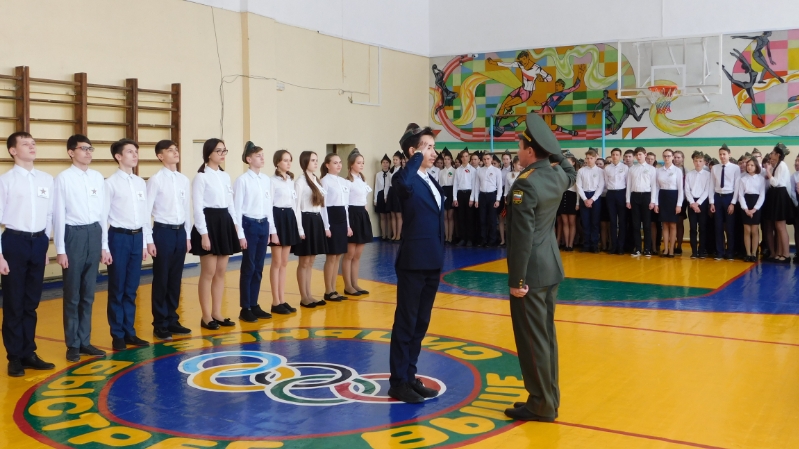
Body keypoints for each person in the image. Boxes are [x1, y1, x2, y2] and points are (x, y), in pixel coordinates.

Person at [505, 113, 576, 421]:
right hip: (550, 268)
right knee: (546, 338)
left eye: (520, 147)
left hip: (530, 274)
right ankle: (548, 398)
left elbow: (521, 238)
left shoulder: (526, 184)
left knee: (532, 341)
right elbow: (570, 169)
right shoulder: (557, 176)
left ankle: (541, 404)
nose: (518, 152)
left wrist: (517, 280)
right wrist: (553, 150)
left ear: (530, 151)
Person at [388, 123, 445, 404]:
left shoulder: (429, 179)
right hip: (413, 261)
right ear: (413, 152)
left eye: (433, 147)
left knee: (420, 323)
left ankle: (410, 376)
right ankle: (398, 382)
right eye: (427, 147)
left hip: (432, 260)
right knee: (406, 322)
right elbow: (402, 186)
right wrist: (416, 158)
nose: (434, 152)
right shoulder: (405, 177)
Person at [0, 132, 56, 376]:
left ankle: (28, 352)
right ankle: (14, 356)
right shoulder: (5, 181)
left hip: (38, 242)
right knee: (14, 302)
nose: (32, 146)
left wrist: (45, 245)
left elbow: (49, 214)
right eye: (25, 144)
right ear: (13, 150)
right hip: (14, 241)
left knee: (31, 303)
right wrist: (0, 255)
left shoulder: (46, 179)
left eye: (33, 143)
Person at [54, 134, 106, 362]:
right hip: (73, 234)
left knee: (88, 292)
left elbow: (103, 213)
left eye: (90, 148)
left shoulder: (97, 177)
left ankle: (85, 340)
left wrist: (104, 245)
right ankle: (72, 344)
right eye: (83, 148)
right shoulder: (63, 178)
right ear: (71, 152)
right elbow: (58, 214)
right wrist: (60, 249)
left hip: (94, 232)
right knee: (73, 293)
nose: (88, 152)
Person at [102, 139, 151, 351]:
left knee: (131, 288)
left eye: (136, 151)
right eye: (130, 151)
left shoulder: (140, 183)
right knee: (117, 287)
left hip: (136, 238)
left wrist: (145, 242)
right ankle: (117, 334)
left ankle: (130, 331)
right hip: (118, 237)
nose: (135, 155)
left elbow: (144, 215)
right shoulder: (110, 183)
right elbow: (103, 217)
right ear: (118, 156)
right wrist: (104, 246)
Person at [190, 138, 241, 330]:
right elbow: (197, 208)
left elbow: (230, 203)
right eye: (218, 151)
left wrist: (234, 224)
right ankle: (205, 316)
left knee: (220, 271)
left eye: (224, 150)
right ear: (209, 153)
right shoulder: (201, 177)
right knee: (208, 272)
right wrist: (204, 233)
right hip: (209, 223)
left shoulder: (225, 176)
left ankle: (217, 313)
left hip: (224, 222)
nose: (222, 154)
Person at [146, 140, 193, 341]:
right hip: (163, 232)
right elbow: (146, 211)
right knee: (162, 278)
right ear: (160, 156)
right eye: (170, 150)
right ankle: (160, 323)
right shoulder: (155, 180)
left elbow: (186, 209)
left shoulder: (183, 180)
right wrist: (149, 240)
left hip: (179, 232)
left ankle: (172, 318)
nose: (175, 152)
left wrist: (188, 236)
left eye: (176, 149)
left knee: (175, 278)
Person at [234, 142, 277, 323]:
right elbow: (237, 209)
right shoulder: (242, 180)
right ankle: (245, 307)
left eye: (262, 155)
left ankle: (254, 303)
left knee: (259, 267)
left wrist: (271, 230)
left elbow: (269, 206)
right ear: (249, 159)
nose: (262, 158)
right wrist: (240, 234)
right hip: (249, 225)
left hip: (263, 224)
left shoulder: (266, 180)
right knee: (249, 267)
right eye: (258, 156)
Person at [293, 151, 328, 307]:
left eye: (316, 160)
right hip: (305, 220)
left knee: (311, 260)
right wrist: (300, 229)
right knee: (304, 261)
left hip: (316, 220)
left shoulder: (316, 180)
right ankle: (304, 296)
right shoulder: (300, 181)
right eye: (312, 160)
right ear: (305, 162)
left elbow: (320, 205)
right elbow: (296, 207)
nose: (315, 163)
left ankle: (309, 294)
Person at [269, 150, 299, 315]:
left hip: (288, 217)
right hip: (277, 216)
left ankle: (282, 299)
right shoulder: (272, 181)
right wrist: (272, 230)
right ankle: (275, 301)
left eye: (290, 160)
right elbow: (269, 205)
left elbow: (293, 203)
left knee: (285, 262)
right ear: (277, 162)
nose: (288, 163)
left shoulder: (291, 180)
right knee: (277, 262)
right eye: (285, 160)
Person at [320, 153, 350, 301]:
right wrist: (326, 226)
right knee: (331, 256)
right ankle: (328, 290)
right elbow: (323, 206)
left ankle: (334, 288)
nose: (339, 165)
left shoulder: (342, 181)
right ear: (327, 165)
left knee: (338, 256)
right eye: (335, 163)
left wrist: (348, 225)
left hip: (341, 218)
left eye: (340, 162)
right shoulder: (324, 181)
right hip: (331, 218)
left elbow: (345, 206)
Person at [342, 150, 373, 296]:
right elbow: (345, 204)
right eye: (358, 163)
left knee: (358, 254)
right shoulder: (347, 182)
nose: (361, 165)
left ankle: (355, 283)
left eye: (362, 163)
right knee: (349, 254)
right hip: (352, 215)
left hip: (362, 215)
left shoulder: (362, 179)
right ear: (351, 164)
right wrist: (348, 224)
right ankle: (348, 285)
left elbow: (364, 200)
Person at [762, 143, 793, 262]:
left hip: (780, 195)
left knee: (781, 226)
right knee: (777, 226)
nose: (771, 155)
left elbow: (775, 182)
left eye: (773, 153)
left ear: (778, 155)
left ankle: (786, 254)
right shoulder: (778, 165)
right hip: (777, 195)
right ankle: (780, 253)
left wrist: (768, 171)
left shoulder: (782, 165)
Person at [709, 144, 740, 260]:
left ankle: (730, 252)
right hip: (718, 197)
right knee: (718, 227)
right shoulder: (715, 168)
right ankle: (720, 252)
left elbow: (737, 186)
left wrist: (733, 203)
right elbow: (711, 185)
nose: (722, 156)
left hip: (729, 197)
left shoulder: (735, 168)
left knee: (730, 227)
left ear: (729, 155)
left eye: (724, 154)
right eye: (720, 154)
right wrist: (712, 202)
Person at [653, 150, 684, 258]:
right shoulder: (659, 170)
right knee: (664, 224)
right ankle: (665, 249)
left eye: (669, 156)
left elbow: (680, 189)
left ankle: (671, 249)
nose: (667, 158)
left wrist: (679, 204)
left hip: (673, 197)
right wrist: (656, 203)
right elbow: (657, 187)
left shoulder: (677, 171)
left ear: (672, 157)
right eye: (665, 156)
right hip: (662, 197)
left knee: (673, 225)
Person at [626, 147, 656, 257]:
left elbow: (654, 186)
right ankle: (638, 248)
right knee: (636, 224)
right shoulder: (632, 169)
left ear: (645, 155)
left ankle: (647, 249)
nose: (638, 157)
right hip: (635, 196)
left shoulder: (651, 169)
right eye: (637, 155)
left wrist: (652, 201)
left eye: (640, 154)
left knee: (647, 224)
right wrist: (628, 200)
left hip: (646, 196)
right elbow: (629, 185)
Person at [576, 149, 604, 253]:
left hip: (595, 197)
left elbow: (601, 186)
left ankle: (594, 245)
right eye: (587, 158)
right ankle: (586, 244)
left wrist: (592, 199)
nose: (589, 160)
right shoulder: (581, 171)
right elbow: (579, 186)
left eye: (591, 158)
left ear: (595, 158)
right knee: (585, 222)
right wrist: (585, 199)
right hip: (584, 196)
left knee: (595, 222)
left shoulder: (600, 171)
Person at [738, 157, 766, 262]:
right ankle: (748, 253)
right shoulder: (743, 179)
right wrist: (745, 209)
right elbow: (741, 195)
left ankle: (754, 253)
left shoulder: (761, 179)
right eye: (748, 165)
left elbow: (762, 195)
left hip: (756, 204)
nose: (749, 167)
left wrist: (755, 209)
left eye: (752, 165)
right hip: (746, 203)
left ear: (756, 166)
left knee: (754, 230)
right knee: (747, 230)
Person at [685, 151, 711, 259]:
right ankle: (694, 251)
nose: (698, 163)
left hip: (702, 202)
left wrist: (698, 203)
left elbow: (707, 190)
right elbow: (687, 190)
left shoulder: (708, 175)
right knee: (693, 228)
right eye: (696, 161)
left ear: (704, 162)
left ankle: (701, 251)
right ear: (693, 162)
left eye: (700, 161)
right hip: (692, 202)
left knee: (703, 228)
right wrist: (692, 203)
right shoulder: (689, 174)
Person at [475, 152, 503, 247]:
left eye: (488, 159)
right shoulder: (479, 171)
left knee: (492, 219)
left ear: (491, 159)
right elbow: (477, 186)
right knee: (482, 219)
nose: (486, 161)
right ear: (482, 160)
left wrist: (498, 200)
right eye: (484, 159)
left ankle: (492, 240)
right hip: (482, 196)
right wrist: (476, 200)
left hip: (492, 196)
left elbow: (499, 186)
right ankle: (483, 239)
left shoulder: (497, 171)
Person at [604, 148, 628, 254]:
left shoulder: (625, 167)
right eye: (613, 154)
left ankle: (621, 246)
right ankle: (613, 246)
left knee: (622, 221)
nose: (614, 156)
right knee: (612, 221)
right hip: (611, 194)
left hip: (622, 193)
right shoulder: (607, 168)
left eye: (617, 154)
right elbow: (606, 182)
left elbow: (627, 183)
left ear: (620, 156)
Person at [453, 149, 477, 246]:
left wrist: (472, 198)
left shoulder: (473, 170)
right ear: (461, 158)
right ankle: (463, 238)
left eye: (466, 156)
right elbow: (455, 184)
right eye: (463, 156)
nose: (464, 158)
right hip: (460, 194)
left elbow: (474, 185)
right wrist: (455, 198)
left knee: (470, 218)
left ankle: (470, 239)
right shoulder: (457, 170)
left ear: (469, 157)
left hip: (469, 194)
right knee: (461, 217)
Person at [438, 148, 456, 244]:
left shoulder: (454, 171)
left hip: (451, 191)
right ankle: (446, 236)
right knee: (444, 216)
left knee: (450, 216)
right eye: (445, 159)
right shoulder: (440, 171)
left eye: (448, 159)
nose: (446, 161)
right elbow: (440, 184)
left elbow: (455, 184)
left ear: (451, 160)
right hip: (443, 192)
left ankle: (450, 237)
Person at [386, 151, 403, 241]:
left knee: (398, 215)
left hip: (398, 192)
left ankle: (399, 235)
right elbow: (387, 184)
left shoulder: (402, 171)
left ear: (400, 160)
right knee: (392, 214)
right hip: (391, 191)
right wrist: (385, 195)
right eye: (394, 160)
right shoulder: (390, 171)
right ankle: (394, 234)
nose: (395, 161)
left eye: (396, 159)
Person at [374, 154, 391, 240]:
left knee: (389, 216)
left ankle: (389, 235)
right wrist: (375, 199)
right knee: (382, 217)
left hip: (388, 195)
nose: (385, 164)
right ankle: (383, 235)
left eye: (387, 162)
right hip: (380, 195)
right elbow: (376, 187)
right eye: (383, 162)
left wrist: (386, 195)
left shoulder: (391, 173)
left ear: (389, 164)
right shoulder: (378, 174)